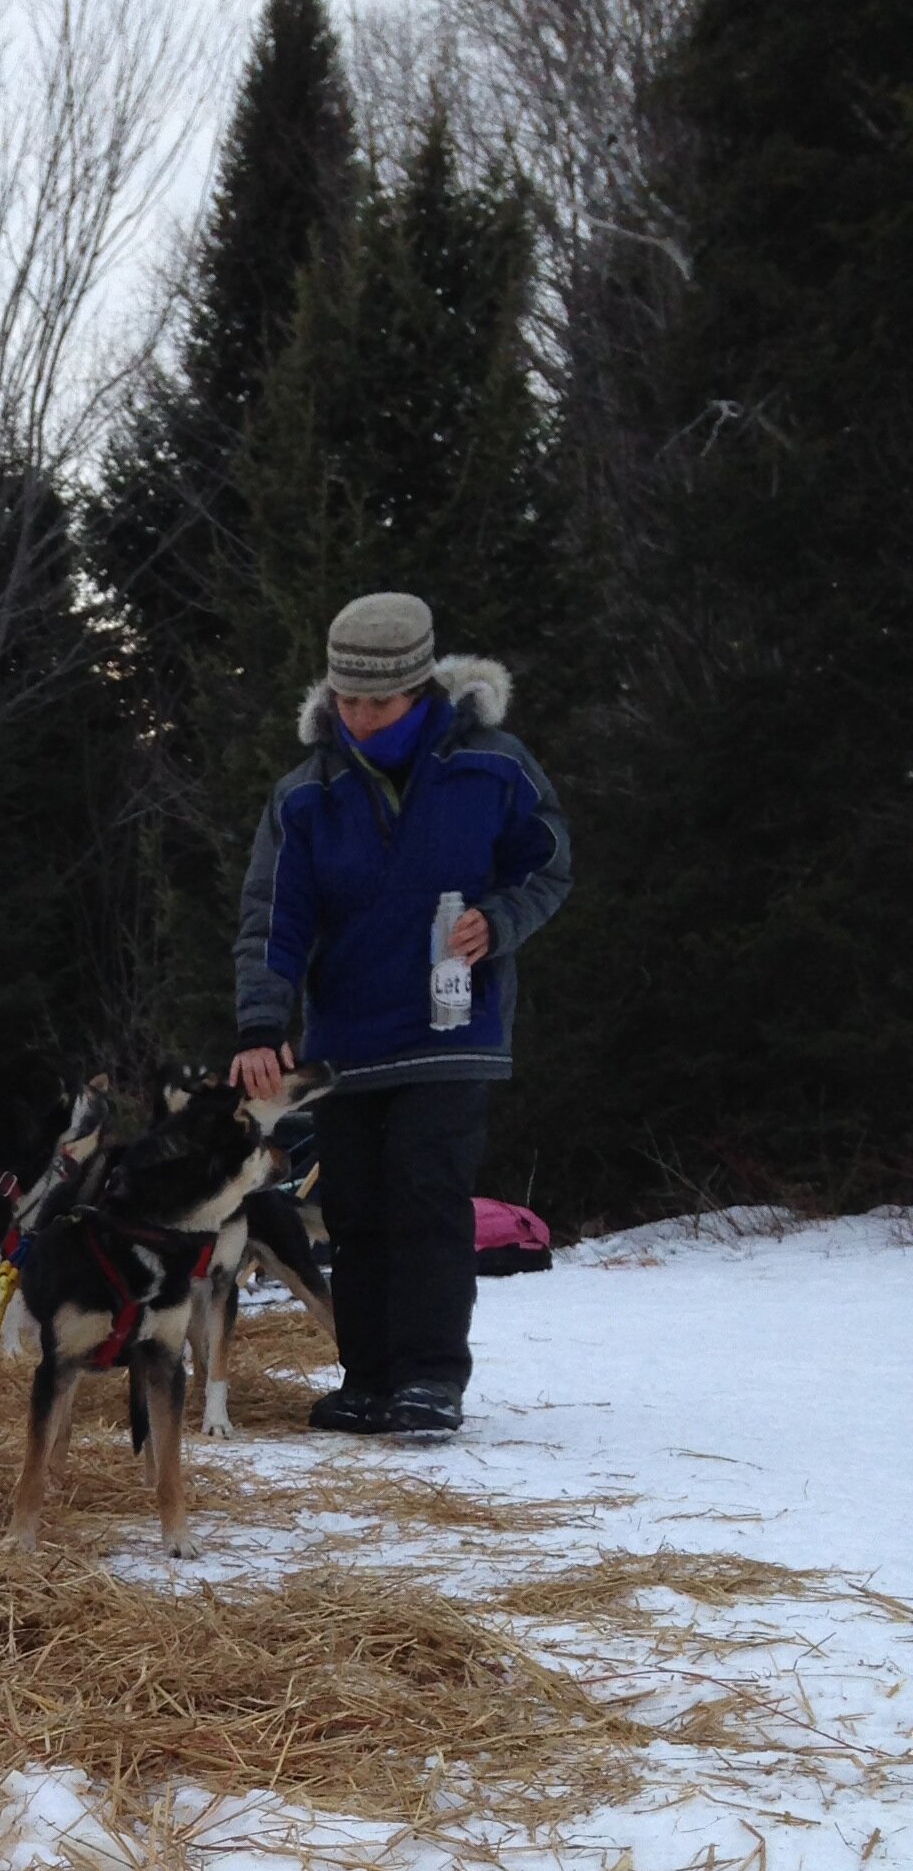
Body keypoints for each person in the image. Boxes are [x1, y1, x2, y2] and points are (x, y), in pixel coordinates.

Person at [231, 591, 570, 1436]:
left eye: (378, 700)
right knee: (352, 1209)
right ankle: (368, 1376)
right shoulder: (305, 794)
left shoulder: (494, 766)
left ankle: (428, 1378)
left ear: (420, 688)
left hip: (455, 1029)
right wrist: (261, 1026)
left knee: (426, 1193)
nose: (360, 714)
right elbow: (274, 917)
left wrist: (498, 921)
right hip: (345, 1039)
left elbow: (549, 868)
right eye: (347, 697)